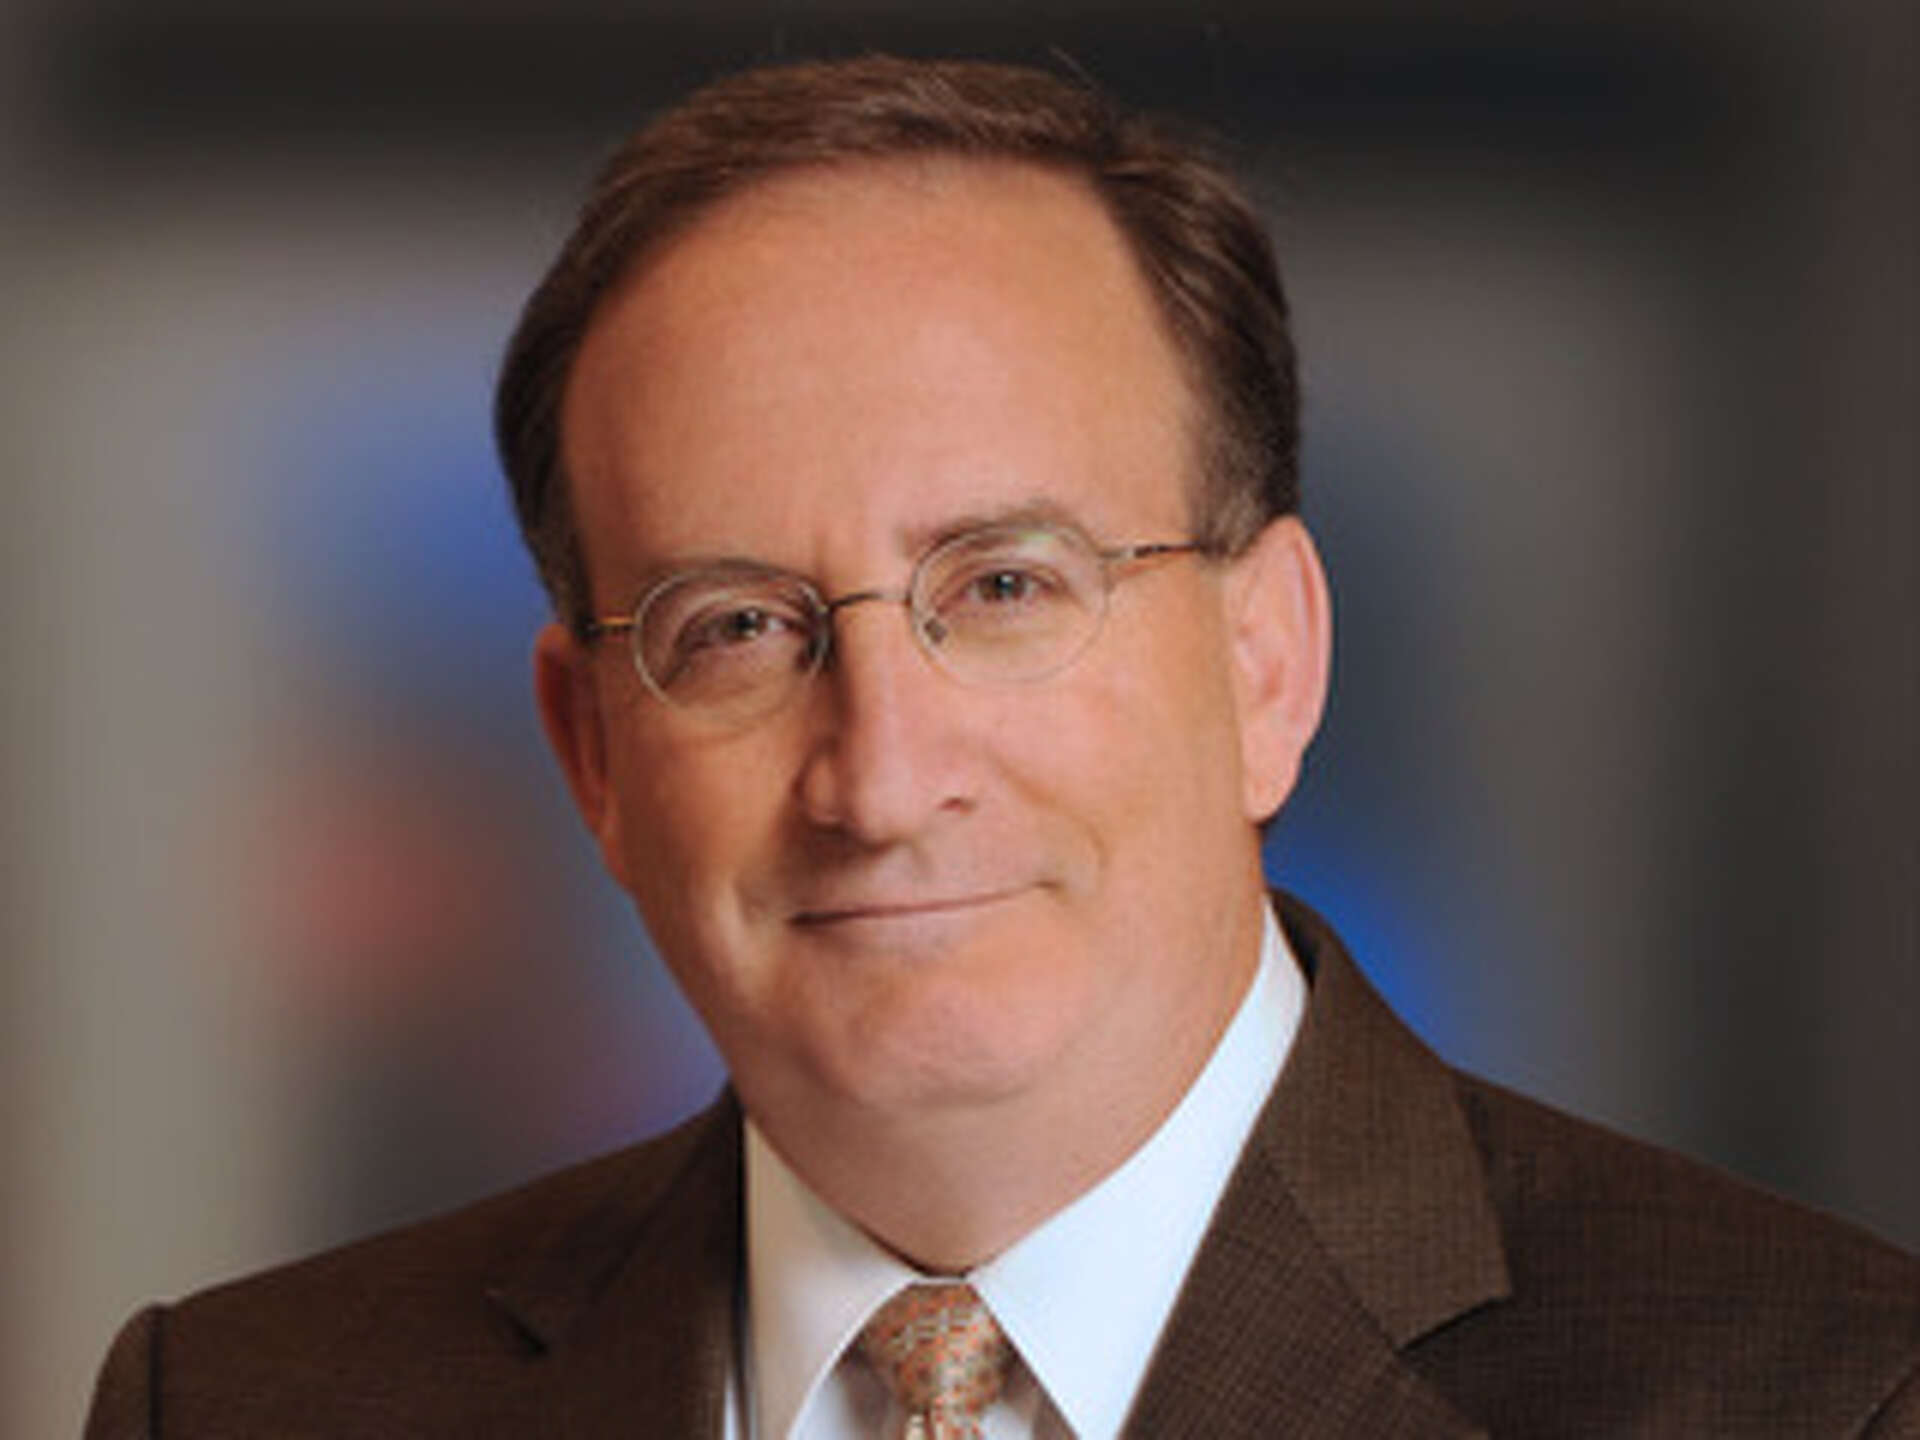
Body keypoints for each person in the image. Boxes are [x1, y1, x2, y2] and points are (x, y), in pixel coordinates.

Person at [86, 54, 1918, 1439]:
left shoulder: (1822, 1394)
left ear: (1268, 661)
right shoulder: (245, 1406)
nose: (882, 781)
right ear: (592, 756)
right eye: (738, 628)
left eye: (1007, 587)